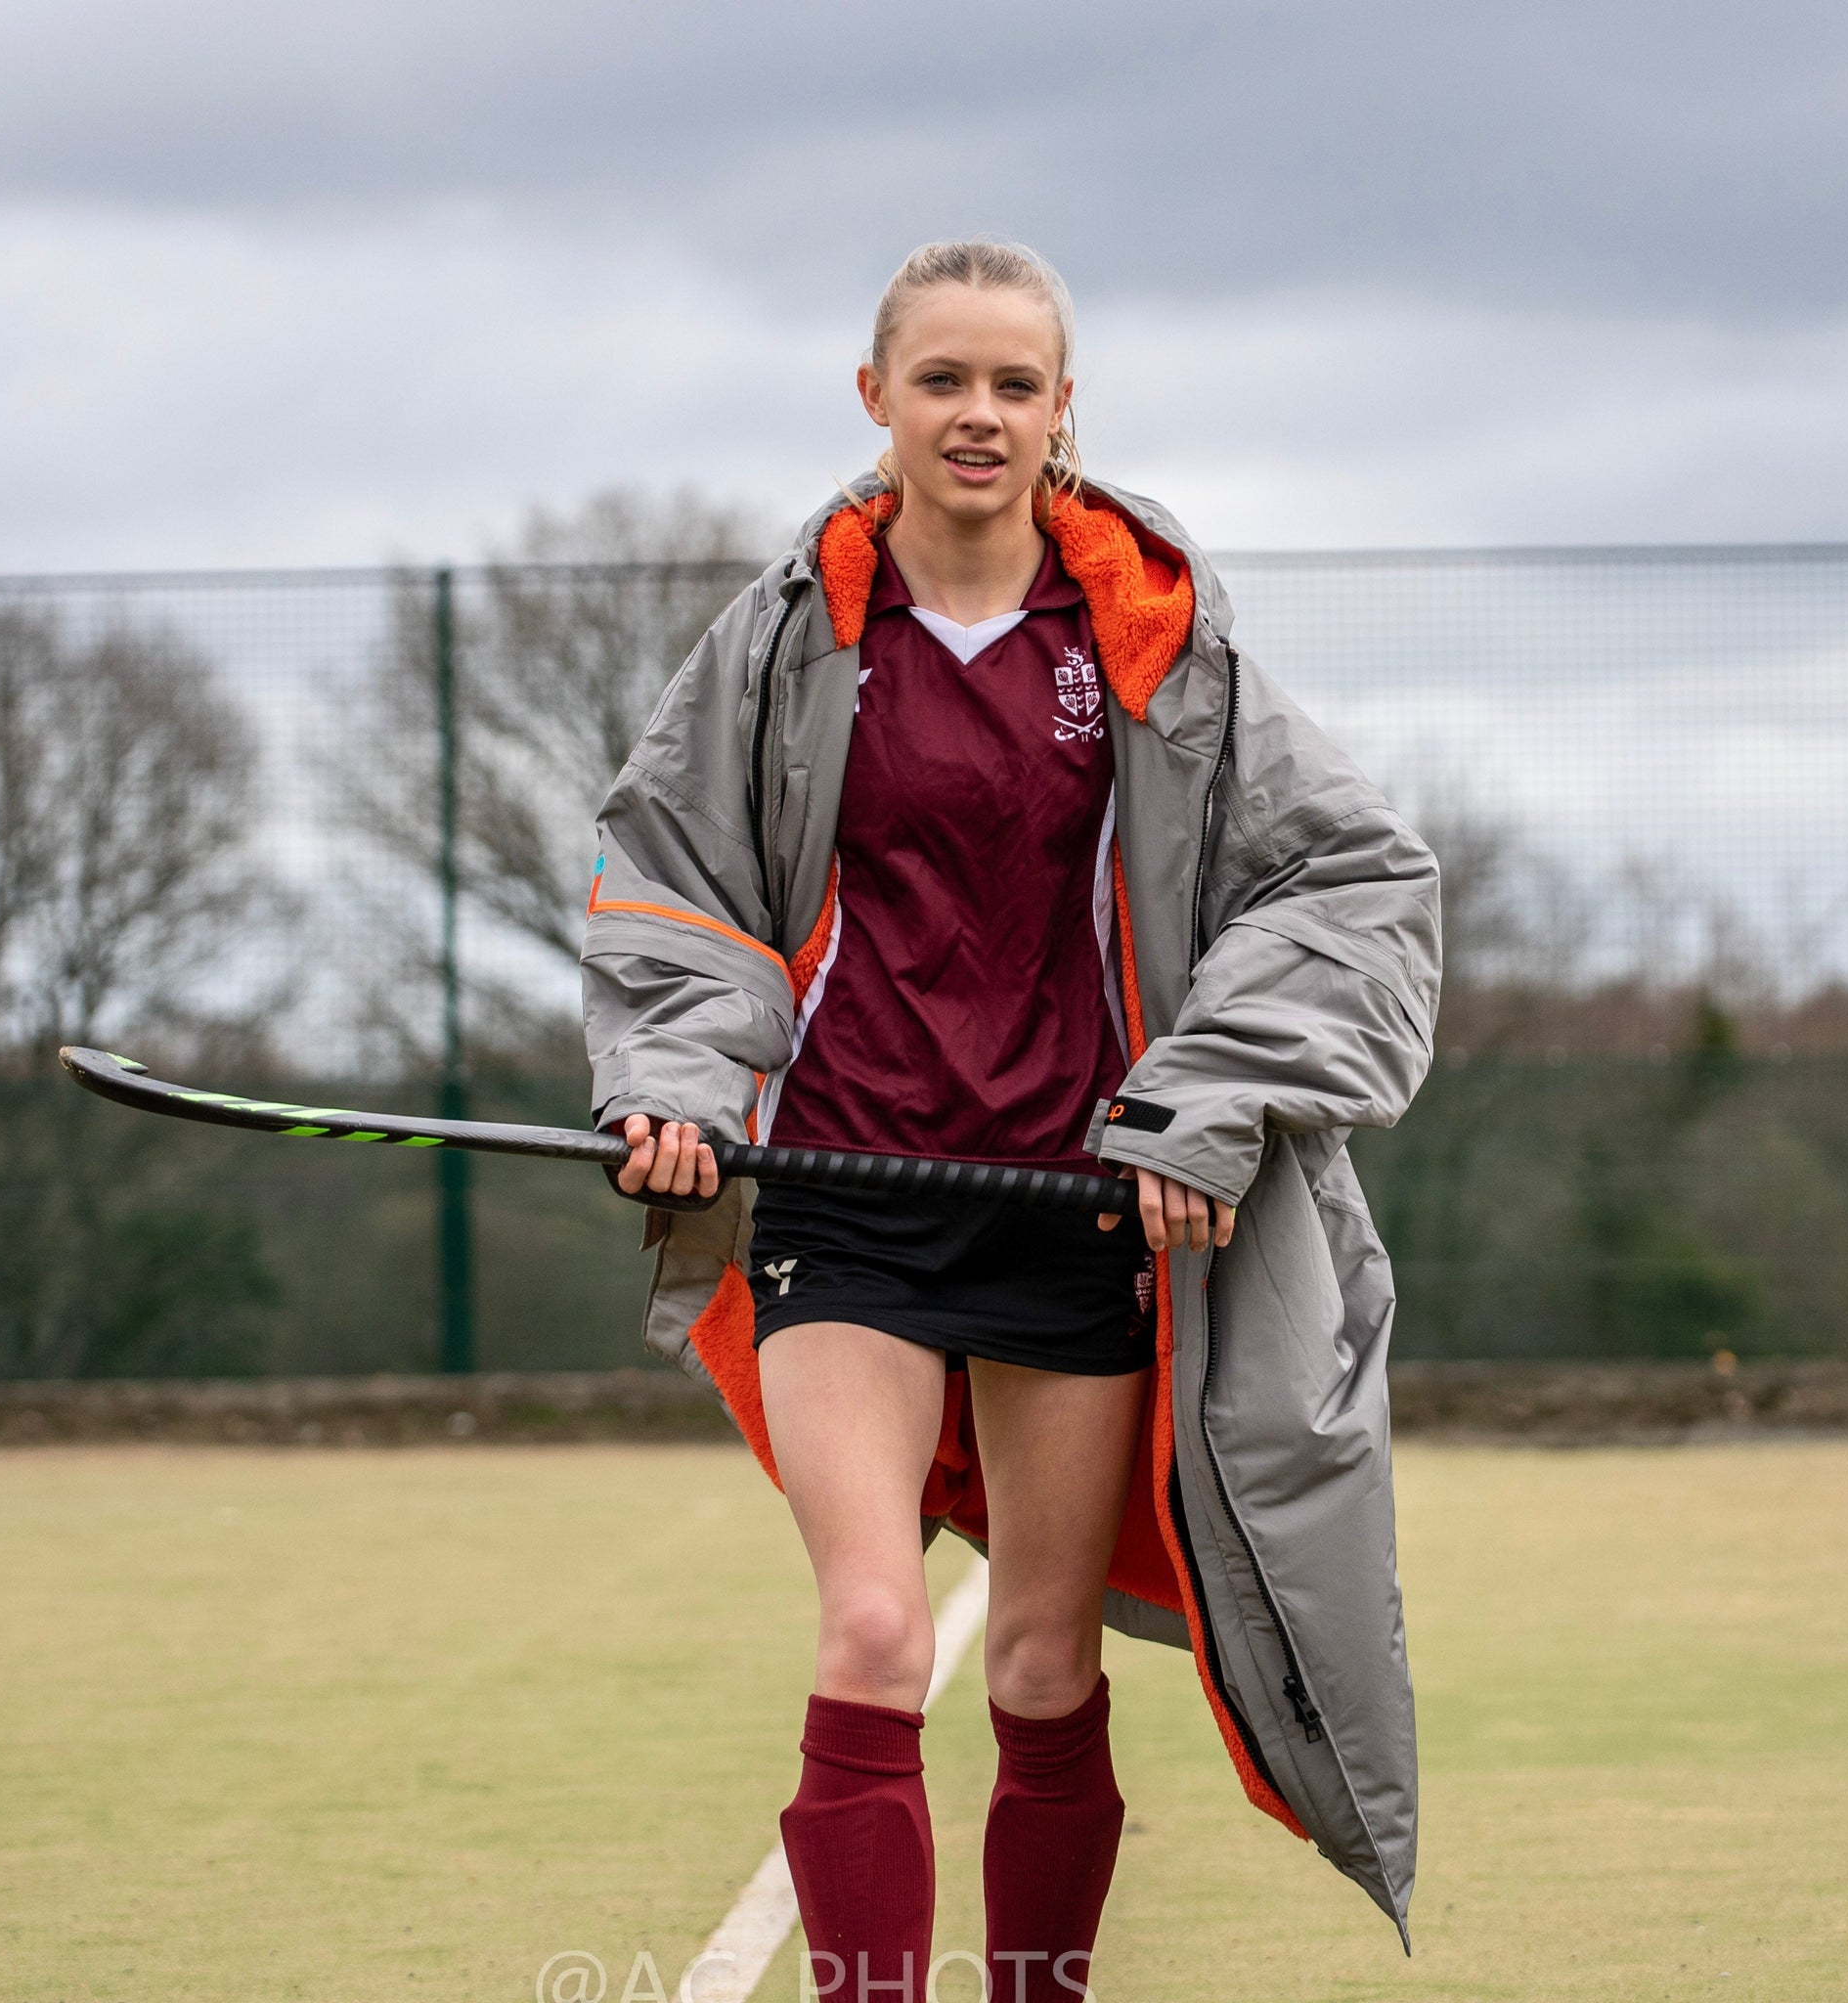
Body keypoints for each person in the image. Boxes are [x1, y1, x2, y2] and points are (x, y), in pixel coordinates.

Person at [583, 241, 1441, 2000]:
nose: (978, 416)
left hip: (1077, 1209)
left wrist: (1200, 1107)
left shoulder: (1153, 646)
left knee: (1041, 1662)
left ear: (1065, 414)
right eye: (944, 380)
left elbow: (1354, 880)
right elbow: (678, 889)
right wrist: (677, 1095)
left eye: (1015, 385)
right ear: (875, 396)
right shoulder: (783, 642)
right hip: (848, 1203)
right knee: (879, 1626)